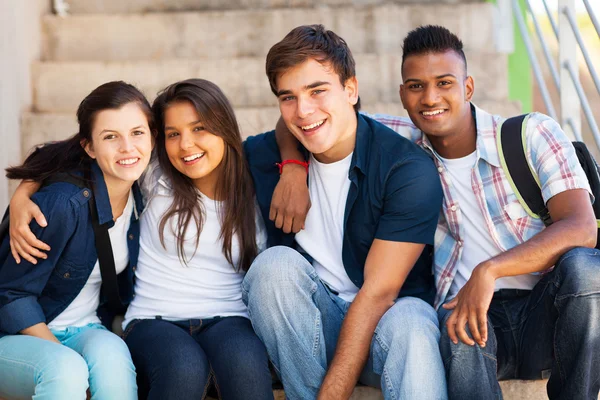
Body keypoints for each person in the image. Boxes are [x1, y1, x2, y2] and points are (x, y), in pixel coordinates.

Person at [366, 25, 600, 400]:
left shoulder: (532, 134)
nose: (430, 98)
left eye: (444, 83)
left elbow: (581, 229)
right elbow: (320, 116)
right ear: (403, 95)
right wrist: (294, 168)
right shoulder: (402, 147)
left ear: (468, 88)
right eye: (416, 86)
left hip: (549, 315)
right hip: (473, 323)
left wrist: (489, 271)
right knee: (460, 329)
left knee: (589, 269)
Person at [242, 24, 447, 400]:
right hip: (310, 329)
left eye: (317, 91)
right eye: (288, 97)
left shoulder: (405, 169)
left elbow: (379, 294)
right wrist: (292, 166)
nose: (303, 111)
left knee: (413, 322)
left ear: (350, 89)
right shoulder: (269, 156)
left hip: (387, 322)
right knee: (273, 269)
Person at [120, 79, 274, 400]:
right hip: (153, 319)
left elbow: (292, 132)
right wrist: (26, 190)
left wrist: (295, 171)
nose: (186, 145)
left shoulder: (254, 183)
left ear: (224, 128)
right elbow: (86, 153)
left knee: (246, 365)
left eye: (199, 128)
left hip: (230, 317)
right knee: (184, 367)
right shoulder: (154, 175)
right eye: (173, 134)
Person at [0, 81, 154, 400]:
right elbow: (9, 294)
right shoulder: (61, 206)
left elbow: (50, 149)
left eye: (137, 132)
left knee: (115, 362)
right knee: (65, 370)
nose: (128, 147)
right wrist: (22, 195)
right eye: (111, 136)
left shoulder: (144, 190)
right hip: (15, 335)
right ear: (90, 147)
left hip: (86, 328)